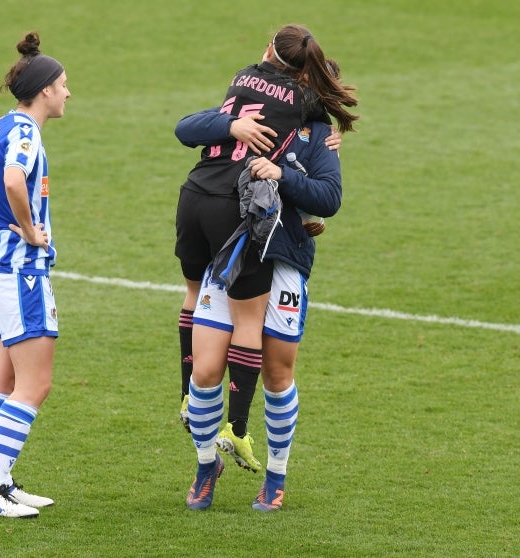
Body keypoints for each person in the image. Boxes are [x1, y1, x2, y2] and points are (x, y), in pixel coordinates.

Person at [174, 25, 358, 490]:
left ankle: (275, 478)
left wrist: (285, 177)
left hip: (283, 260)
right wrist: (229, 124)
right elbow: (190, 127)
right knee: (206, 368)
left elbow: (329, 196)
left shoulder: (318, 134)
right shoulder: (256, 114)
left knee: (277, 373)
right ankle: (205, 464)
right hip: (236, 249)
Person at [0, 31, 71, 519]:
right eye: (64, 85)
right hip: (21, 271)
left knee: (2, 377)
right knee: (35, 383)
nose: (69, 93)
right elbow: (11, 179)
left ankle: (3, 483)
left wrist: (2, 223)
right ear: (46, 89)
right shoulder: (28, 132)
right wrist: (30, 231)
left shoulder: (1, 124)